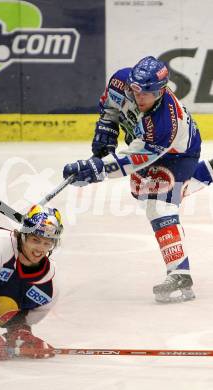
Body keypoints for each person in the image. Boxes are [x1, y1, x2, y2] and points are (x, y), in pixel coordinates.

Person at [63, 55, 210, 304]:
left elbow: (129, 162)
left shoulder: (164, 125)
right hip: (145, 147)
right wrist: (106, 130)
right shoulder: (120, 81)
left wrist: (95, 169)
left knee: (159, 204)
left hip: (179, 154)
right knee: (142, 191)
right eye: (136, 91)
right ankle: (208, 172)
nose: (139, 97)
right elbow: (109, 107)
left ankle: (180, 274)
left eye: (146, 94)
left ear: (161, 91)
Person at [0, 204, 63, 360]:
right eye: (35, 240)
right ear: (23, 235)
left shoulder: (49, 284)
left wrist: (19, 329)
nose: (40, 249)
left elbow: (25, 315)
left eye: (47, 243)